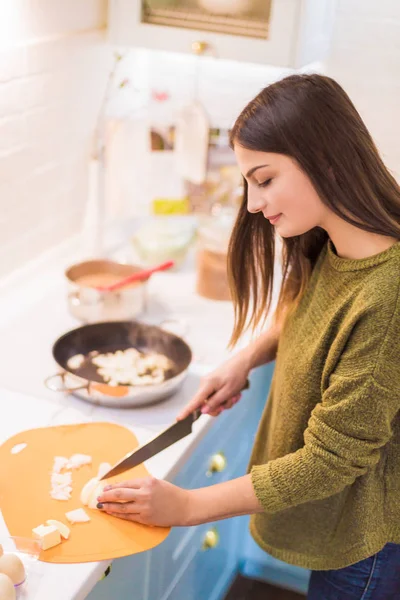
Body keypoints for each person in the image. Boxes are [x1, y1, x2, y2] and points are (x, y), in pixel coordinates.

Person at [97, 74, 400, 599]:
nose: (255, 204)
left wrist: (187, 506)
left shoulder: (389, 297)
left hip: (363, 545)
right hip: (339, 531)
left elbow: (330, 461)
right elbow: (312, 312)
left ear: (324, 159)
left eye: (264, 179)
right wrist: (247, 357)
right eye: (248, 184)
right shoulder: (337, 242)